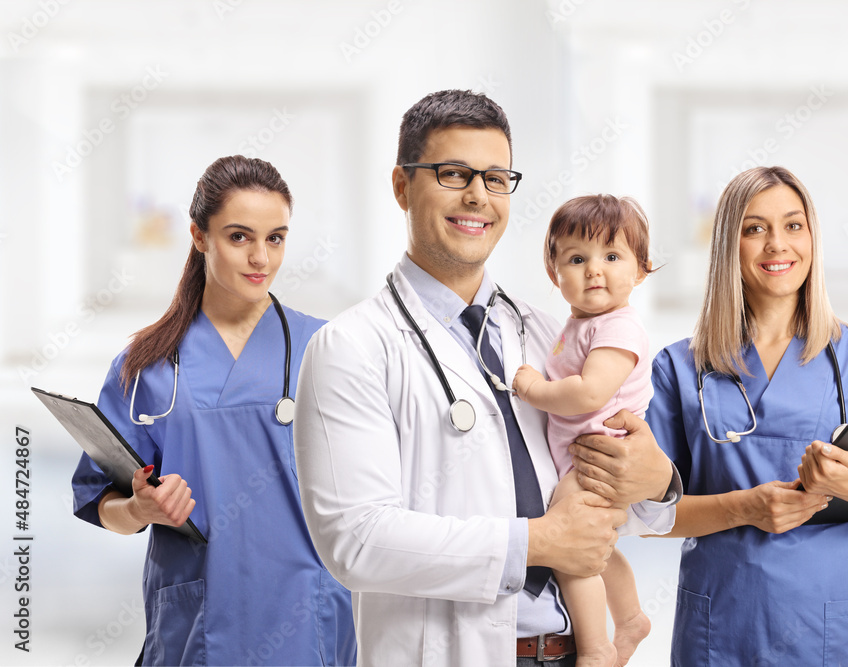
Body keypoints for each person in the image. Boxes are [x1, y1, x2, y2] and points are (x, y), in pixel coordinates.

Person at [292, 90, 682, 667]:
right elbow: (356, 540)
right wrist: (539, 542)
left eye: (497, 178)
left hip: (573, 652)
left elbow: (625, 511)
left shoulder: (548, 330)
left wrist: (659, 480)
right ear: (402, 186)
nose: (478, 195)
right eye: (453, 173)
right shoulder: (352, 346)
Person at [636, 166, 848, 666]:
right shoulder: (680, 367)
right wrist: (744, 508)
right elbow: (647, 516)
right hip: (719, 633)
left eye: (793, 225)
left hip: (831, 634)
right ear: (728, 246)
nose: (777, 245)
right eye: (754, 228)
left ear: (812, 238)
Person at [71, 155, 356, 666]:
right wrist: (140, 509)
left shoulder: (325, 347)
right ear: (200, 237)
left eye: (276, 238)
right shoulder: (149, 366)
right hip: (200, 624)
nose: (261, 259)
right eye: (240, 237)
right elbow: (100, 500)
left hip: (307, 616)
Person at [512, 195, 656, 667]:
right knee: (594, 545)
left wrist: (534, 389)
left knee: (571, 550)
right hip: (580, 459)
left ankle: (595, 649)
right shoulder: (572, 326)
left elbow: (590, 392)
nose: (595, 270)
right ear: (555, 274)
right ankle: (631, 617)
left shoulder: (619, 328)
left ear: (641, 269)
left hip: (598, 458)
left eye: (612, 257)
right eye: (577, 259)